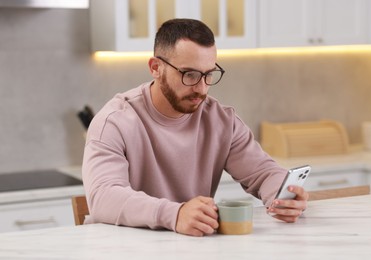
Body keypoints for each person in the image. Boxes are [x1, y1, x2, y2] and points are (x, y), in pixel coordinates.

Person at [82, 18, 308, 237]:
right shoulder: (114, 122)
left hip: (190, 247)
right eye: (189, 74)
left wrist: (282, 195)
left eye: (209, 74)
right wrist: (175, 213)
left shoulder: (221, 120)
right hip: (120, 249)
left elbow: (263, 173)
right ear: (155, 67)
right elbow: (103, 197)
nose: (201, 88)